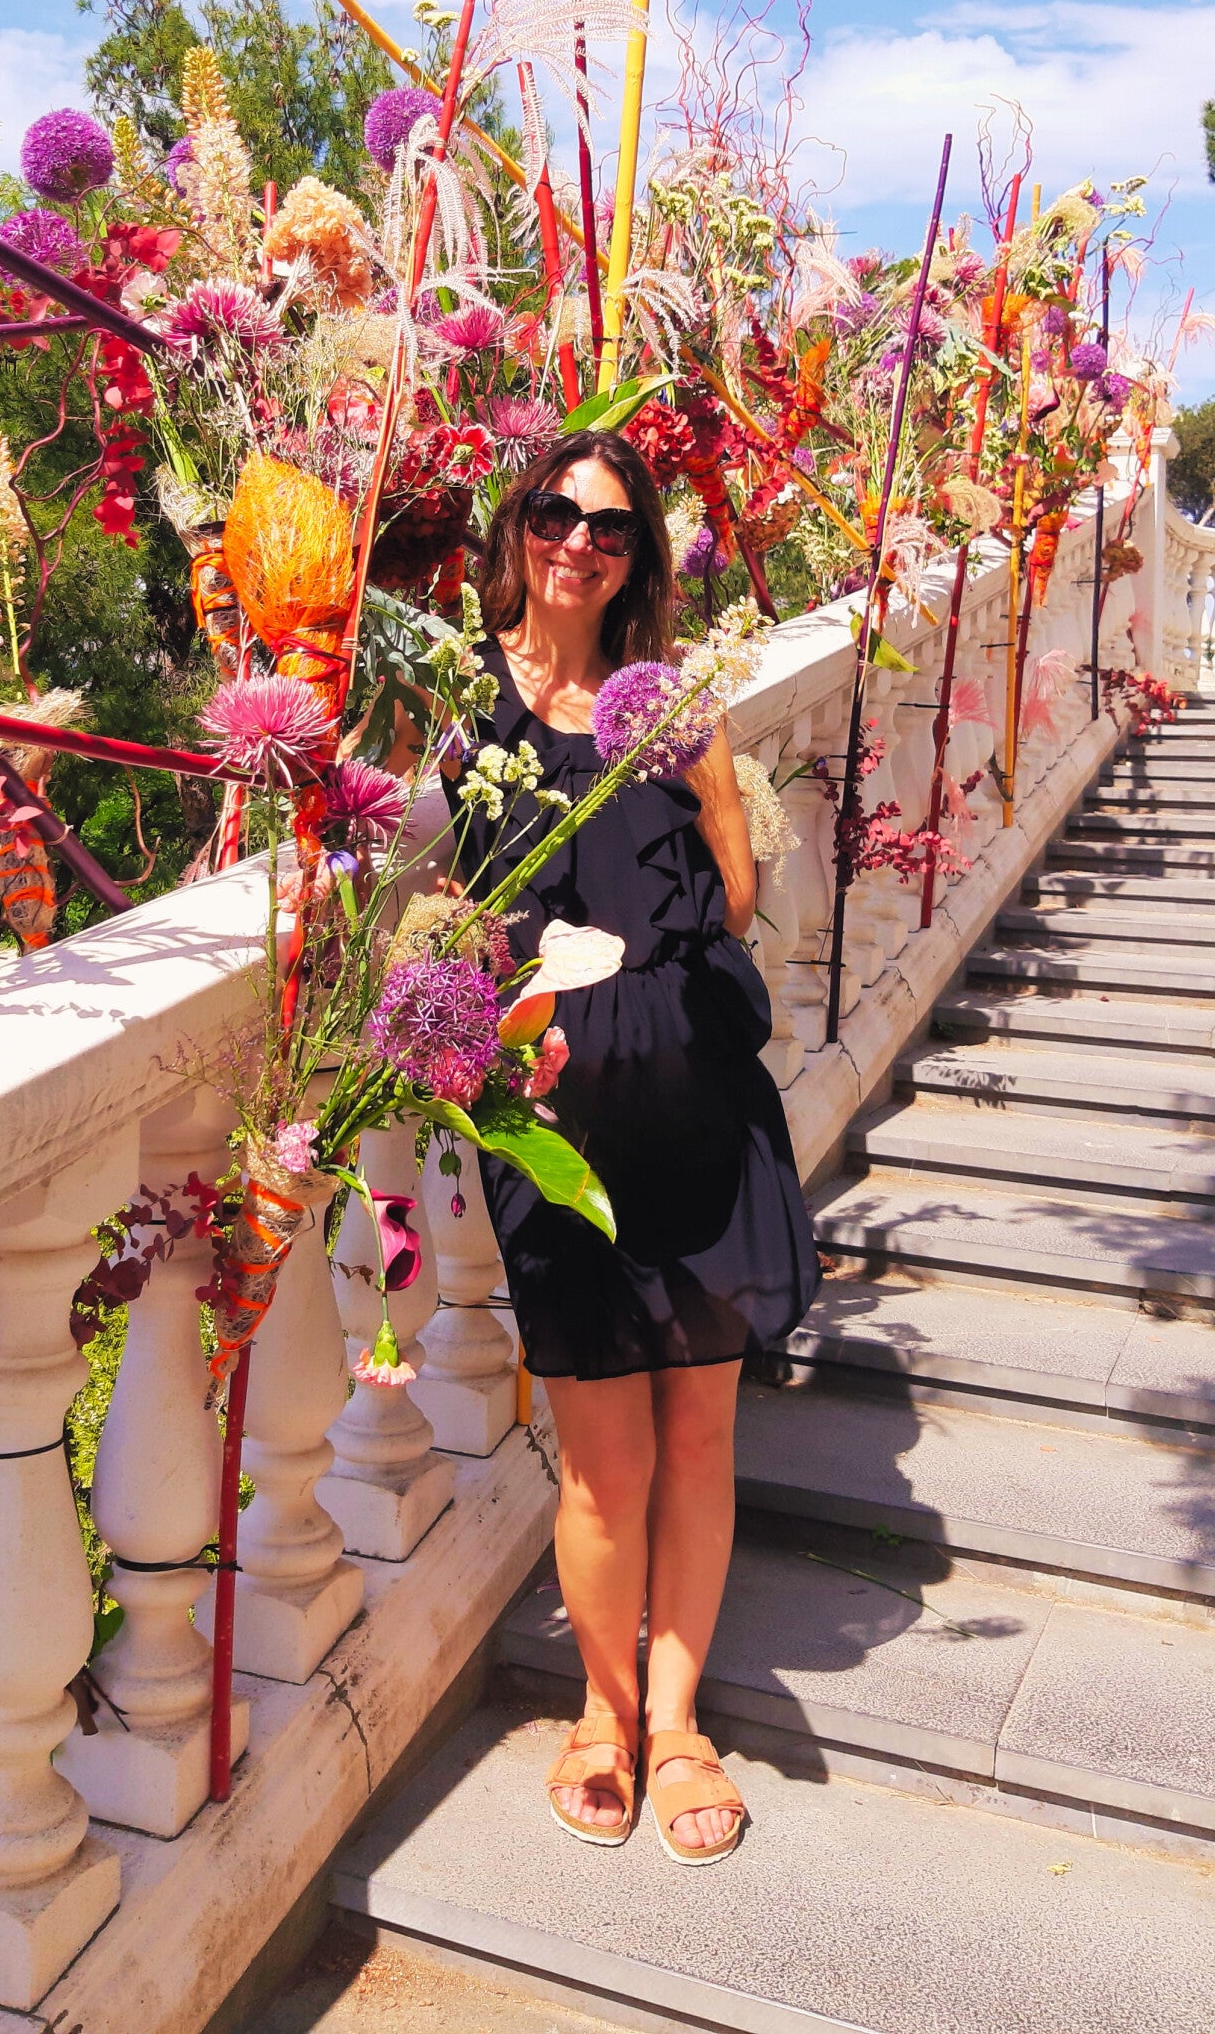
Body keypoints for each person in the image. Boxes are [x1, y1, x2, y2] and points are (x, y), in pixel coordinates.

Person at [455, 430, 819, 1865]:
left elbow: (732, 889)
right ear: (518, 526)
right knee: (602, 1454)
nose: (579, 544)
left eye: (612, 529)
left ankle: (674, 1724)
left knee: (702, 1432)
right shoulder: (460, 705)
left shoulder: (672, 708)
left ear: (639, 561)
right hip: (554, 1127)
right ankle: (600, 1712)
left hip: (694, 1114)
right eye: (557, 514)